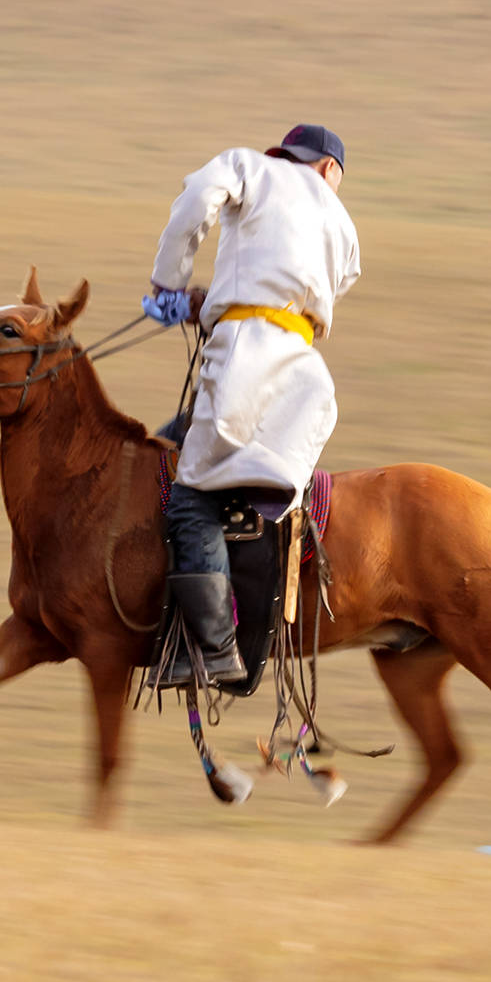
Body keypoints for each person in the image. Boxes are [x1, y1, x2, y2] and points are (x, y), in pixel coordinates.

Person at [141, 125, 362, 687]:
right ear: (330, 170)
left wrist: (171, 285)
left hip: (246, 360)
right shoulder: (343, 224)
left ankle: (214, 648)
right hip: (306, 378)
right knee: (197, 460)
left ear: (288, 156)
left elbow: (196, 200)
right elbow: (301, 289)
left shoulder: (250, 167)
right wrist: (219, 300)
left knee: (193, 494)